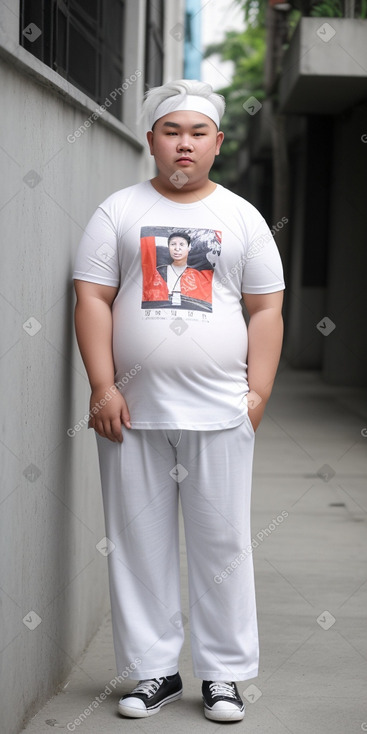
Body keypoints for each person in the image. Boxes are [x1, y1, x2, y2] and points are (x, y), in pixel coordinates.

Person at [73, 79, 285, 722]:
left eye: (197, 133)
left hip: (221, 412)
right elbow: (92, 299)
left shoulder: (242, 217)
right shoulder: (117, 211)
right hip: (131, 415)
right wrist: (103, 387)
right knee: (138, 544)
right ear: (151, 141)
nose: (184, 145)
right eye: (172, 132)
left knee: (222, 547)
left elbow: (267, 308)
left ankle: (223, 676)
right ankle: (152, 672)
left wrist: (258, 393)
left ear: (218, 142)